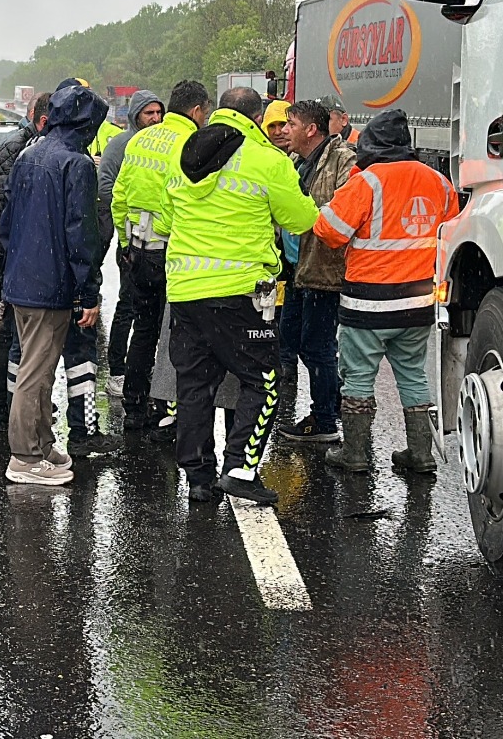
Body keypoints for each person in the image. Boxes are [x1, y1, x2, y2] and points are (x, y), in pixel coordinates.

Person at [165, 87, 317, 506]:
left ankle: (198, 477)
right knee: (264, 380)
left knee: (194, 385)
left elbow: (166, 215)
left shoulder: (183, 156)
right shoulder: (266, 159)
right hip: (240, 294)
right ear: (255, 118)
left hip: (184, 290)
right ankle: (241, 468)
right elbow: (301, 218)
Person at [312, 109, 459, 475]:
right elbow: (451, 233)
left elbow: (328, 230)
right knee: (412, 374)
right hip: (418, 302)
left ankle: (356, 453)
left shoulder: (367, 182)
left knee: (359, 375)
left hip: (368, 302)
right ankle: (420, 454)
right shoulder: (439, 182)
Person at [0, 82, 106, 486]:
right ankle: (25, 457)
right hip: (50, 288)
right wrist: (88, 292)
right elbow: (81, 234)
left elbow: (7, 225)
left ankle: (42, 445)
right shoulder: (75, 164)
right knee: (36, 373)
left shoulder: (29, 156)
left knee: (33, 367)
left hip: (22, 282)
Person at [108, 80, 208, 430]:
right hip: (172, 255)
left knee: (144, 330)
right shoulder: (191, 143)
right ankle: (164, 409)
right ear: (196, 111)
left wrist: (124, 244)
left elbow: (118, 197)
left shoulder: (139, 140)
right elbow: (186, 204)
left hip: (136, 252)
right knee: (177, 336)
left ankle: (134, 407)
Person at [275, 99, 355, 444]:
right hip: (296, 268)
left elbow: (346, 211)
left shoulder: (343, 160)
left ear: (311, 129)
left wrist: (308, 214)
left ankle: (325, 420)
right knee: (289, 339)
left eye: (290, 124)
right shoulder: (296, 161)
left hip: (325, 271)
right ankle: (333, 400)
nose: (284, 131)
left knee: (316, 345)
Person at [0, 92, 52, 423]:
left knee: (22, 331)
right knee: (12, 328)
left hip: (18, 251)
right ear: (42, 121)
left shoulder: (28, 146)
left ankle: (20, 399)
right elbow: (3, 203)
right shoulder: (16, 148)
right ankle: (5, 404)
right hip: (11, 253)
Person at [96, 91, 164, 396]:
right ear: (135, 115)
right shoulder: (122, 144)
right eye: (148, 113)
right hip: (132, 241)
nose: (154, 119)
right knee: (127, 304)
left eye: (158, 113)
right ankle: (117, 369)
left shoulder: (163, 144)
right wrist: (128, 221)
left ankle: (144, 370)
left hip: (157, 245)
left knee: (151, 312)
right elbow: (106, 184)